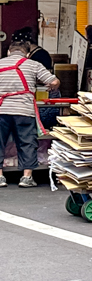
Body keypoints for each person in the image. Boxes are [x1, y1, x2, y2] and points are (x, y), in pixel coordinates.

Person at [0, 31, 59, 187]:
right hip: (24, 110)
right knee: (27, 142)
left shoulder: (0, 64)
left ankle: (0, 177)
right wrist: (49, 87)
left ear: (8, 52)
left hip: (1, 110)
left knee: (0, 143)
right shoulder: (33, 65)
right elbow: (54, 81)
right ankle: (27, 177)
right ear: (27, 54)